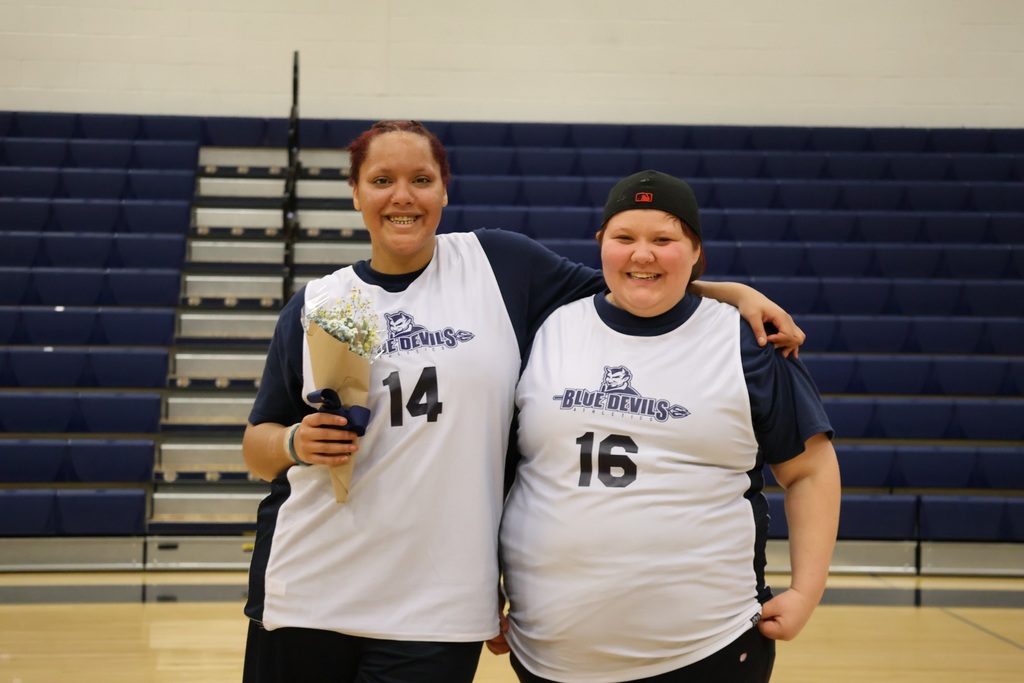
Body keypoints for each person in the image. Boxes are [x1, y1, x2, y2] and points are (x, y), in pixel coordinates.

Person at [241, 122, 808, 683]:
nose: (403, 196)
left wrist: (734, 294)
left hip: (439, 606)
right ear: (356, 192)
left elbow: (630, 282)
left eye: (422, 179)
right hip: (310, 588)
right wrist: (293, 441)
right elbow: (257, 448)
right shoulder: (322, 303)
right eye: (382, 180)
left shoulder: (499, 265)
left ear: (444, 191)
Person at [491, 170, 841, 682]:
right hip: (549, 657)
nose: (643, 254)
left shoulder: (747, 342)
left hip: (708, 649)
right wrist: (482, 586)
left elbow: (811, 470)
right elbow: (493, 471)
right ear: (600, 243)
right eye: (624, 238)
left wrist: (807, 590)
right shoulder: (545, 328)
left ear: (696, 250)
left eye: (663, 240)